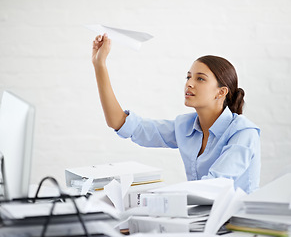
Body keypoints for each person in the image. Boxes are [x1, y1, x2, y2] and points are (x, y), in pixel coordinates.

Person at [92, 33, 261, 193]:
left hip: (237, 220)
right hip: (200, 218)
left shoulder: (244, 133)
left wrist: (159, 196)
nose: (189, 84)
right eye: (188, 77)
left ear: (221, 92)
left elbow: (213, 186)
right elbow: (120, 122)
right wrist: (100, 64)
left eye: (200, 78)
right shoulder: (185, 127)